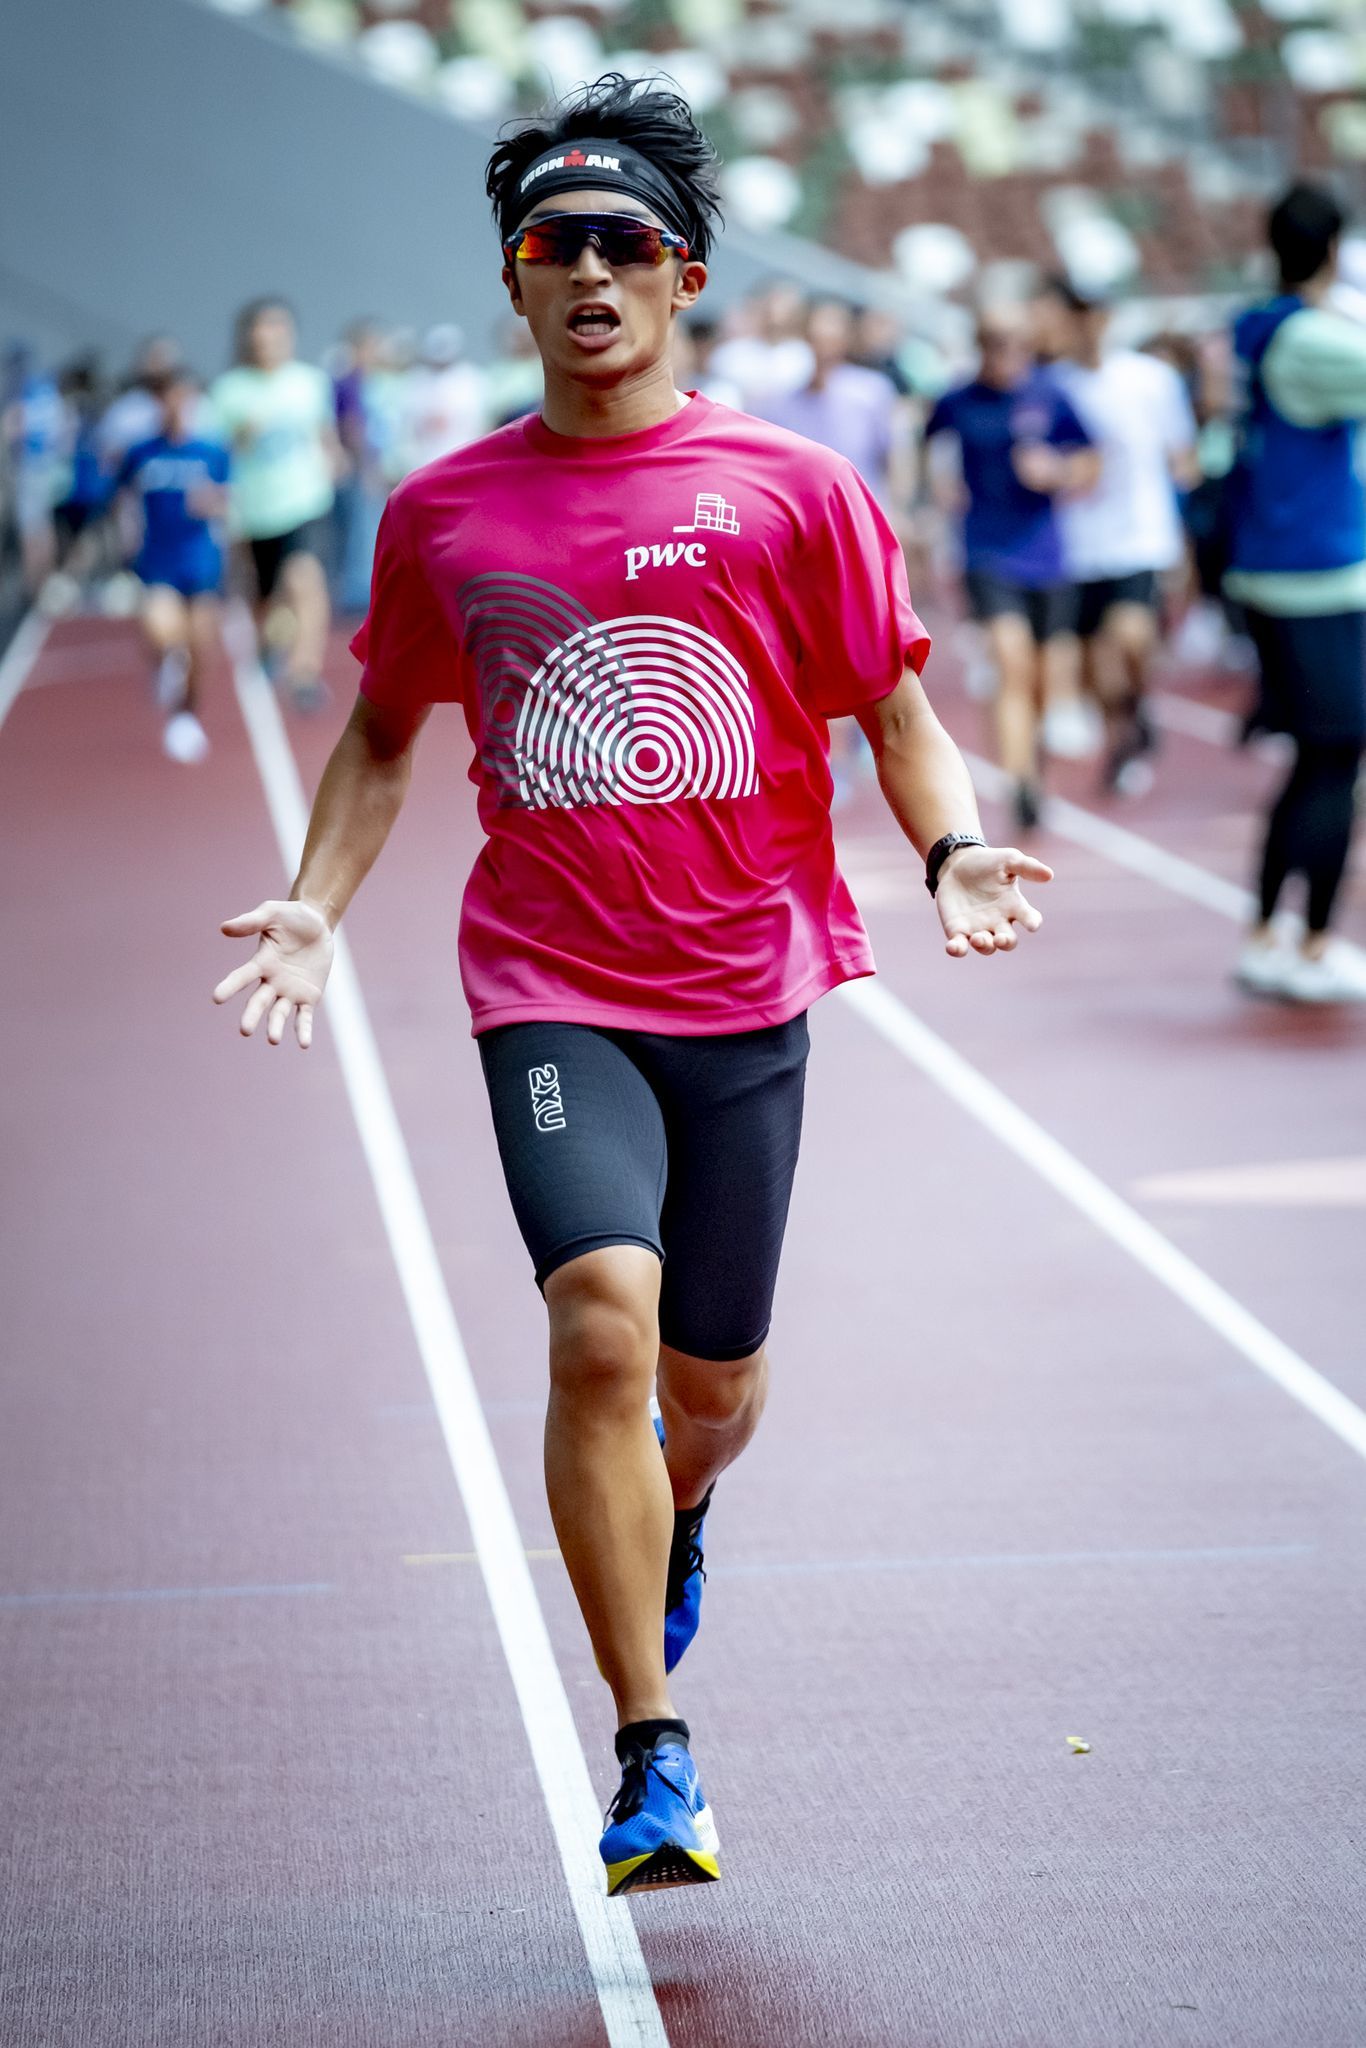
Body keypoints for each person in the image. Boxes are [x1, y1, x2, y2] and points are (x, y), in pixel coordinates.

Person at [212, 73, 1052, 1897]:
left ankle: (683, 1503)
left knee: (710, 1391)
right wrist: (313, 907)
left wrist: (951, 847)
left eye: (625, 242)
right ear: (514, 279)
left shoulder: (793, 490)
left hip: (746, 987)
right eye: (553, 242)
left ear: (683, 277)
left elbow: (894, 707)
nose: (588, 269)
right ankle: (654, 1751)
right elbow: (380, 732)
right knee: (599, 1318)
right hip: (549, 984)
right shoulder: (443, 511)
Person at [1224, 184, 1366, 1004]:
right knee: (1335, 756)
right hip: (1311, 573)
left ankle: (1270, 936)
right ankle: (1307, 945)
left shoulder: (1261, 322)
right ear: (1335, 249)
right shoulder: (1311, 338)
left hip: (1276, 564)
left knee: (1318, 757)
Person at [922, 305, 1097, 831]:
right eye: (994, 344)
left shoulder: (1051, 394)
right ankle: (1019, 783)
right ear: (980, 347)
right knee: (1009, 661)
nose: (1005, 355)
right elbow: (923, 442)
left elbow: (1090, 459)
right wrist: (936, 487)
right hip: (986, 551)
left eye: (1014, 344)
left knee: (1042, 676)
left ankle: (1033, 764)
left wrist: (1058, 471)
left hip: (1047, 554)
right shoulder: (958, 399)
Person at [1035, 278, 1199, 798]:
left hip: (1140, 539)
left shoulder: (1150, 379)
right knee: (1095, 668)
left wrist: (1184, 535)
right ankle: (1123, 736)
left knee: (1130, 637)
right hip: (1078, 545)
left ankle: (1137, 704)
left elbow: (1181, 454)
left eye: (1093, 313)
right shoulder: (1052, 385)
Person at [211, 298, 339, 711]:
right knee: (266, 600)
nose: (269, 340)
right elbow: (216, 454)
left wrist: (335, 459)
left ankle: (305, 673)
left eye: (278, 330)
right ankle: (271, 642)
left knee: (305, 579)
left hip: (305, 500)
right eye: (261, 332)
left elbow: (324, 435)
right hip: (254, 510)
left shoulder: (310, 383)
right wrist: (244, 435)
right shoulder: (230, 390)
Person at [112, 367, 229, 763]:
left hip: (201, 560)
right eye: (168, 399)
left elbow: (227, 499)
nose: (176, 406)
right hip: (158, 559)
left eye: (183, 398)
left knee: (201, 647)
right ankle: (164, 664)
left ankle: (186, 716)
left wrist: (213, 502)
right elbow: (122, 496)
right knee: (164, 631)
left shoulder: (211, 451)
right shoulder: (141, 452)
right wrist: (126, 538)